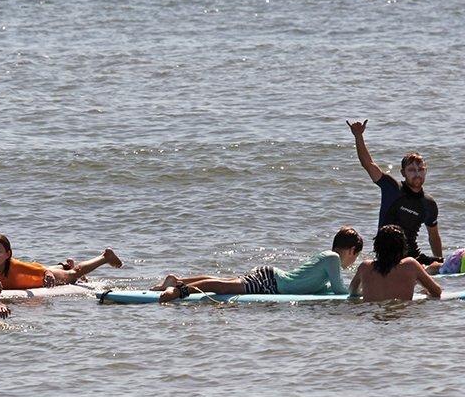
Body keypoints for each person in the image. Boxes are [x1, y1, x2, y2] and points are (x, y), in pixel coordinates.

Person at [152, 227, 364, 302]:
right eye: (355, 257)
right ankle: (179, 291)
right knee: (223, 287)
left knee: (225, 282)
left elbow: (325, 288)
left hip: (272, 279)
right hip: (271, 282)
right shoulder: (333, 258)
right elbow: (339, 291)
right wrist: (360, 292)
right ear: (351, 251)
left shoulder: (327, 257)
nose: (353, 261)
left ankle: (176, 280)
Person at [347, 120, 443, 266]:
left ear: (426, 171)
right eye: (411, 170)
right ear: (403, 173)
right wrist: (358, 136)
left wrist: (441, 264)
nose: (417, 174)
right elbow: (368, 164)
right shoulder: (391, 188)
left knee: (442, 264)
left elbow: (433, 236)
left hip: (413, 257)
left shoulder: (429, 203)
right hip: (388, 257)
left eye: (421, 169)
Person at [348, 225, 442, 302]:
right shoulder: (410, 265)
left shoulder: (365, 267)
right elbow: (437, 292)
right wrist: (423, 290)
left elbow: (352, 291)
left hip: (373, 318)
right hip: (400, 317)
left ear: (376, 247)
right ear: (403, 247)